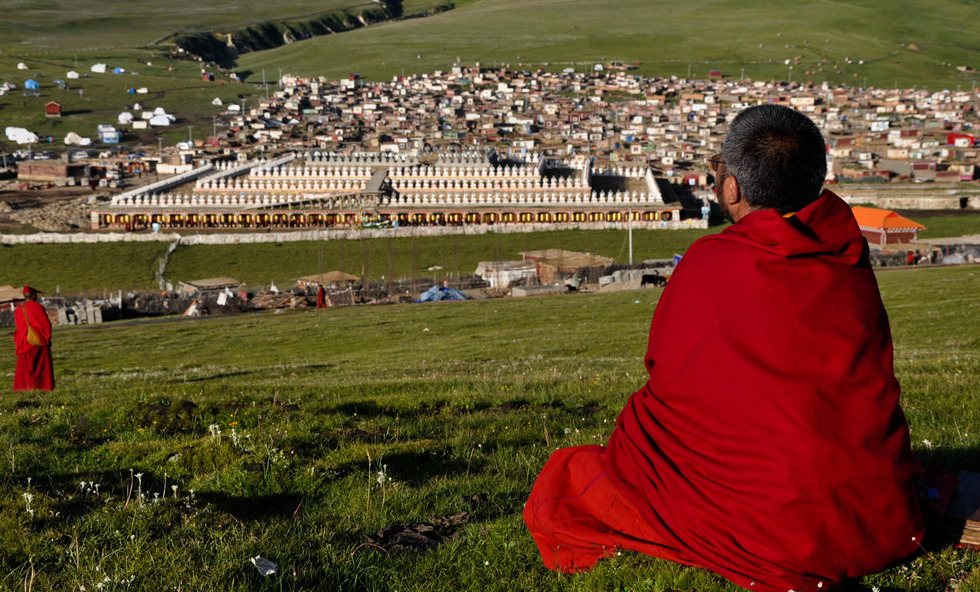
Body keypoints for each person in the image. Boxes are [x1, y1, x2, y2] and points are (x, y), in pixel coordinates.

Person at [524, 104, 924, 592]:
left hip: (773, 532)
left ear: (730, 187)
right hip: (877, 519)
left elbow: (667, 372)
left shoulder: (711, 262)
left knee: (576, 477)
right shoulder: (843, 253)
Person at [13, 286, 54, 391]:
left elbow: (19, 328)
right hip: (38, 341)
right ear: (34, 296)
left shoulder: (18, 310)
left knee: (25, 369)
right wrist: (47, 339)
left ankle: (24, 388)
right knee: (41, 367)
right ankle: (43, 386)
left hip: (24, 342)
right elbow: (45, 325)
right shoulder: (38, 308)